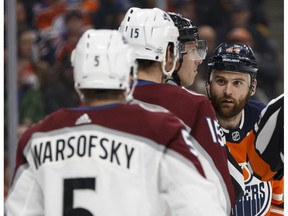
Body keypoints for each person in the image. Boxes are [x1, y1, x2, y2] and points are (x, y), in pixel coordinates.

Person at [5, 29, 226, 216]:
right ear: (128, 72)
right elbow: (202, 207)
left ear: (77, 75)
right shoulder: (161, 130)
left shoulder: (39, 136)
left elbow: (19, 210)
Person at [119, 7, 242, 215]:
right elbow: (224, 188)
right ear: (170, 51)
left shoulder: (99, 102)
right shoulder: (192, 105)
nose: (199, 59)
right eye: (193, 49)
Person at [205, 42, 284, 215]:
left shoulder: (266, 121)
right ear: (208, 84)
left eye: (237, 83)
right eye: (220, 81)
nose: (228, 91)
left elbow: (279, 197)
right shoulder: (194, 125)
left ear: (253, 87)